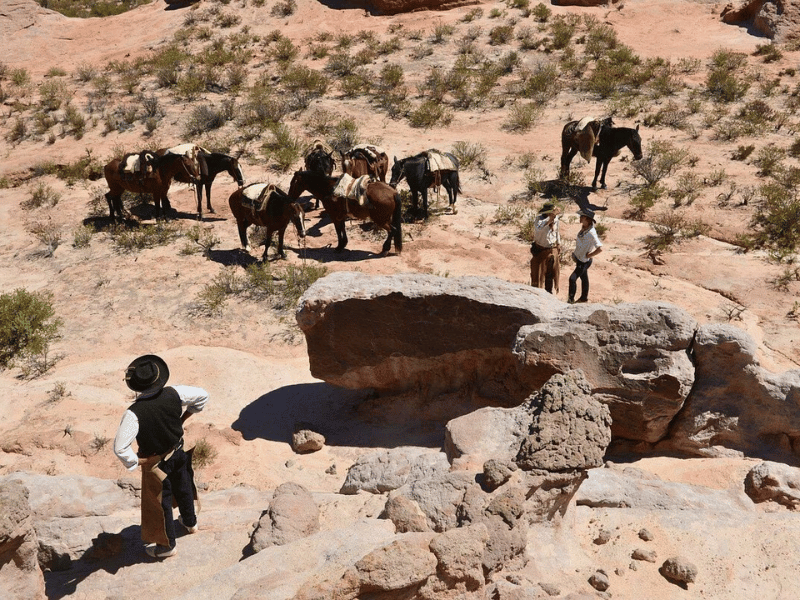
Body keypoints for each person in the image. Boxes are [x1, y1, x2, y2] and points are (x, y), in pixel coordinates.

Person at [114, 354, 209, 559]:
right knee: (183, 485)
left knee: (159, 503)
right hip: (178, 452)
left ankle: (167, 546)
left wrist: (136, 462)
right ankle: (190, 523)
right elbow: (202, 396)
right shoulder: (175, 393)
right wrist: (182, 418)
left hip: (156, 463)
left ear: (136, 386)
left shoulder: (133, 413)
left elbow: (120, 448)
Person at [568, 209, 603, 304]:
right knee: (584, 278)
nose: (580, 218)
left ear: (587, 219)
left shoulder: (591, 232)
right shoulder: (584, 227)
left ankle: (570, 300)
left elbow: (600, 248)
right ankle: (584, 298)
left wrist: (589, 255)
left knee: (572, 279)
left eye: (582, 217)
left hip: (584, 261)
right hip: (580, 259)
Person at [530, 202, 561, 294]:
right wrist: (549, 219)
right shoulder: (539, 220)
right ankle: (537, 293)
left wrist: (558, 243)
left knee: (550, 274)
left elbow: (557, 231)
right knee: (539, 274)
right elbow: (539, 228)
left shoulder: (556, 220)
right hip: (541, 250)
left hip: (551, 249)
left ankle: (549, 292)